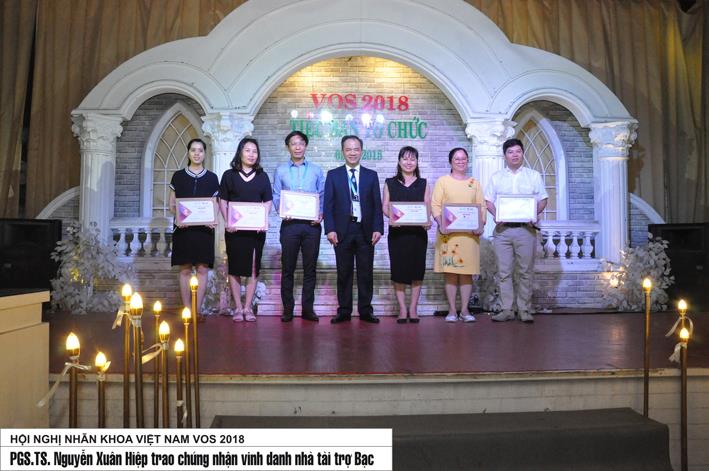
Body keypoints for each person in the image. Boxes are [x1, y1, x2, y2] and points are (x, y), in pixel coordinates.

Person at [485, 138, 548, 323]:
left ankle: (524, 309)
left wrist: (533, 214)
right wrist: (496, 215)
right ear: (505, 155)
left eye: (518, 151)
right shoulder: (497, 177)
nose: (514, 155)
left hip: (525, 230)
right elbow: (488, 200)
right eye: (510, 152)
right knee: (503, 271)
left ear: (522, 153)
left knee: (525, 271)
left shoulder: (533, 176)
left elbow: (543, 199)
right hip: (502, 231)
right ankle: (507, 309)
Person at [324, 135, 384, 324]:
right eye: (348, 149)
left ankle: (366, 310)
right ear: (343, 151)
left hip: (365, 230)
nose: (352, 152)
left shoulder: (371, 175)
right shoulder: (333, 175)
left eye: (356, 149)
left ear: (361, 151)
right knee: (344, 273)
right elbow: (328, 205)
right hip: (343, 230)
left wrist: (378, 228)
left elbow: (377, 204)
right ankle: (344, 311)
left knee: (366, 272)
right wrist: (330, 229)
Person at [272, 131, 325, 322]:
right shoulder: (280, 170)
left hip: (311, 226)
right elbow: (276, 195)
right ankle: (288, 309)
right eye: (293, 144)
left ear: (306, 146)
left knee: (310, 269)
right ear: (288, 147)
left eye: (301, 143)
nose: (297, 147)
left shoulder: (316, 170)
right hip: (290, 225)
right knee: (288, 268)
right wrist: (282, 210)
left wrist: (321, 214)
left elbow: (322, 194)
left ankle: (308, 309)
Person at [219, 137, 273, 322]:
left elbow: (268, 201)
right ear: (240, 152)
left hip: (256, 232)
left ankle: (248, 308)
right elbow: (223, 201)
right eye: (248, 150)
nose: (251, 154)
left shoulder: (262, 176)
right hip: (234, 231)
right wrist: (228, 221)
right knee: (234, 268)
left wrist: (262, 220)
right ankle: (238, 307)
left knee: (253, 268)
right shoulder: (229, 175)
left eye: (254, 151)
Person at [431, 147, 485, 323]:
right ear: (450, 162)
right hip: (449, 235)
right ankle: (452, 311)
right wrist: (441, 223)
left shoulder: (474, 183)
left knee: (467, 273)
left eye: (464, 159)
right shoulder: (443, 181)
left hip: (469, 236)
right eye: (457, 159)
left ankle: (465, 310)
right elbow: (435, 205)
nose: (461, 161)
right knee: (451, 272)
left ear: (467, 161)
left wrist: (480, 225)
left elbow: (481, 206)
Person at [169, 138, 220, 320]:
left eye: (200, 150)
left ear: (205, 154)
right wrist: (178, 217)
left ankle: (196, 311)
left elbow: (215, 204)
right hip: (183, 230)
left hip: (204, 231)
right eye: (193, 150)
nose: (197, 153)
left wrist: (212, 219)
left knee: (202, 269)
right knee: (184, 269)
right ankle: (187, 310)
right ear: (189, 153)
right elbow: (172, 204)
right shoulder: (178, 176)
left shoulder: (212, 178)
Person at [382, 146, 431, 323]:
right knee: (399, 271)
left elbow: (427, 206)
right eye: (405, 159)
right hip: (398, 234)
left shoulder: (424, 183)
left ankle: (413, 308)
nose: (409, 162)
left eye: (412, 159)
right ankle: (403, 309)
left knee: (417, 271)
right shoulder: (390, 182)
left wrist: (427, 220)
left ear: (417, 162)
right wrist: (393, 217)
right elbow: (385, 206)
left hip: (418, 235)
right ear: (399, 161)